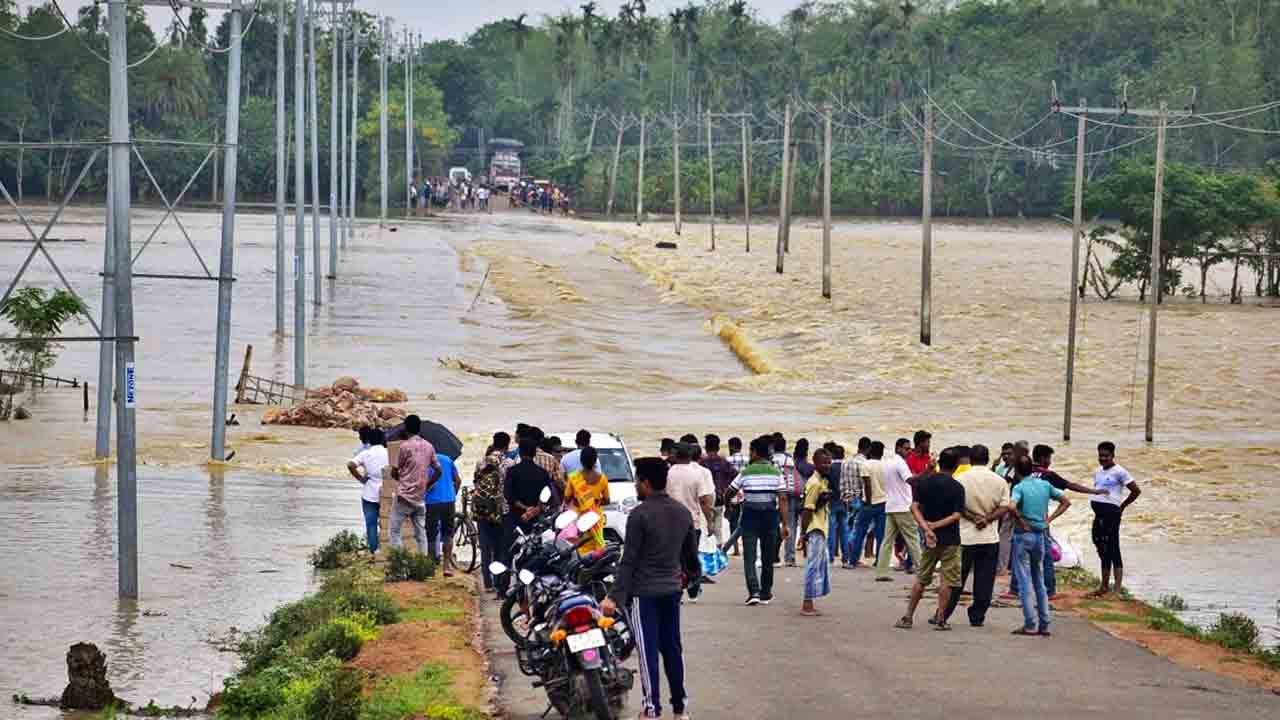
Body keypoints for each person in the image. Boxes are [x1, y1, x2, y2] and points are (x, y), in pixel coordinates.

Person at [601, 458, 699, 720]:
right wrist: (691, 579)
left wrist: (613, 597)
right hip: (671, 590)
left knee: (647, 653)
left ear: (645, 482)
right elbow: (690, 556)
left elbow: (629, 560)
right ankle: (680, 709)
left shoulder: (639, 515)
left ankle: (651, 709)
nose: (634, 485)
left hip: (645, 594)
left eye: (636, 480)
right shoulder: (682, 512)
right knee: (672, 649)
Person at [894, 447, 965, 630]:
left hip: (929, 539)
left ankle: (908, 616)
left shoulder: (924, 483)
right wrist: (937, 526)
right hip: (950, 539)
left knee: (922, 579)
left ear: (939, 462)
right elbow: (957, 515)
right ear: (956, 465)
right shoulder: (957, 487)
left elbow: (914, 507)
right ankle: (941, 618)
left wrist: (927, 527)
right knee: (946, 581)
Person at [941, 444, 1010, 627]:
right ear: (988, 459)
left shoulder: (960, 479)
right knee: (985, 580)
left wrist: (973, 518)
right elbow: (1005, 507)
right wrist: (987, 519)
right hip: (989, 537)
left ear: (970, 459)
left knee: (957, 579)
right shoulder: (999, 480)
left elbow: (956, 507)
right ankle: (977, 616)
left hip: (965, 537)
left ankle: (944, 613)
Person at [1009, 456, 1071, 636]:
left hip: (1023, 536)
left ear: (1017, 471)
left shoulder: (1019, 487)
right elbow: (1066, 501)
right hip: (1041, 535)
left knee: (1023, 581)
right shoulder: (1044, 485)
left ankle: (1030, 624)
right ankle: (1044, 623)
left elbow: (1011, 506)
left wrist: (1021, 520)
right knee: (1039, 580)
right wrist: (1049, 519)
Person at [727, 435, 790, 605]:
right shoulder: (776, 472)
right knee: (768, 556)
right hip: (770, 517)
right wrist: (785, 524)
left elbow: (730, 491)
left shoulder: (746, 472)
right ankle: (766, 592)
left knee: (750, 556)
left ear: (755, 453)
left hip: (750, 517)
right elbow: (783, 499)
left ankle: (753, 591)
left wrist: (728, 505)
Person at [1089, 441, 1142, 597]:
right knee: (1101, 548)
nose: (1103, 458)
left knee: (1113, 548)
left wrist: (1122, 506)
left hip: (1112, 514)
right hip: (1099, 515)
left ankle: (1117, 590)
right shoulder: (1098, 471)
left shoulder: (1120, 472)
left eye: (1106, 456)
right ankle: (1104, 586)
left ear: (1113, 456)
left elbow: (1136, 491)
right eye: (1101, 455)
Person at [500, 435, 551, 593]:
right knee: (538, 552)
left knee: (508, 553)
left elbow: (509, 496)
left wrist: (524, 509)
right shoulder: (543, 473)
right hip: (536, 520)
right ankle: (537, 587)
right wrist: (534, 509)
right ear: (535, 453)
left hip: (515, 518)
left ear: (520, 453)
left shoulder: (512, 472)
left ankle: (503, 589)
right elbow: (547, 497)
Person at [666, 442, 716, 602]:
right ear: (690, 455)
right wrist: (710, 521)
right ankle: (693, 587)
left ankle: (677, 590)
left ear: (676, 455)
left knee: (675, 558)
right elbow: (704, 500)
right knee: (691, 556)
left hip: (671, 522)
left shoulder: (669, 473)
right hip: (691, 522)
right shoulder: (697, 475)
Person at [388, 415, 442, 554]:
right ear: (419, 428)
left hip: (404, 497)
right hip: (420, 498)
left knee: (394, 532)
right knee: (420, 534)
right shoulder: (429, 446)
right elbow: (438, 471)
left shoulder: (404, 446)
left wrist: (402, 481)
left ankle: (401, 566)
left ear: (406, 428)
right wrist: (427, 485)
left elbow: (395, 471)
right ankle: (422, 564)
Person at [875, 438, 923, 581]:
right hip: (902, 506)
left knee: (887, 541)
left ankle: (881, 572)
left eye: (909, 449)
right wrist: (927, 471)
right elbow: (911, 480)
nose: (909, 451)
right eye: (906, 449)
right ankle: (922, 571)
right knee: (913, 539)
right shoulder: (900, 463)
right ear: (898, 448)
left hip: (891, 506)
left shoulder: (888, 462)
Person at [473, 433, 511, 594]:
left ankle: (487, 583)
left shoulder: (481, 461)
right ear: (507, 445)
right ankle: (498, 582)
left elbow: (476, 482)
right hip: (500, 510)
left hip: (482, 510)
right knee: (500, 548)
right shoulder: (509, 463)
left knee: (485, 547)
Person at [799, 449, 834, 616]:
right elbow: (807, 509)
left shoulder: (822, 481)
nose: (827, 465)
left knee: (820, 565)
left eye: (829, 462)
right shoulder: (814, 483)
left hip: (820, 527)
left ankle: (811, 599)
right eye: (824, 462)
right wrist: (803, 533)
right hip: (815, 528)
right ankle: (807, 603)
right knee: (813, 566)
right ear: (815, 463)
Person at [348, 428, 389, 557]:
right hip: (386, 492)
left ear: (369, 440)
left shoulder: (366, 453)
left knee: (371, 524)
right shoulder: (389, 453)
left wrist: (361, 478)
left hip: (369, 492)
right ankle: (387, 548)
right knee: (388, 523)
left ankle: (374, 552)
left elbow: (350, 465)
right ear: (383, 440)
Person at [562, 447, 610, 555]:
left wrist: (580, 501)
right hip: (595, 519)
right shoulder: (602, 479)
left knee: (580, 548)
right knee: (597, 548)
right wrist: (594, 502)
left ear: (581, 460)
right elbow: (607, 500)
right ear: (595, 460)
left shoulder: (574, 477)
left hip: (579, 519)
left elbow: (566, 499)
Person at [850, 440, 887, 568]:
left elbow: (867, 484)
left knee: (860, 532)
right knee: (881, 535)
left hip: (869, 503)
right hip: (883, 503)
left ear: (870, 450)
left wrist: (869, 502)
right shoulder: (885, 466)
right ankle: (880, 561)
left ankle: (853, 560)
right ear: (882, 453)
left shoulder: (866, 465)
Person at [424, 449, 461, 575]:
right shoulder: (447, 459)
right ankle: (446, 566)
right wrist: (452, 495)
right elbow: (458, 481)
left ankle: (430, 566)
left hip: (432, 502)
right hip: (449, 501)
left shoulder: (425, 460)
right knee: (448, 534)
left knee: (431, 534)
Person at [835, 438, 870, 566]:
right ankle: (853, 557)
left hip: (846, 498)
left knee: (847, 527)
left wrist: (843, 496)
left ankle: (848, 556)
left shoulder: (846, 462)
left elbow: (841, 482)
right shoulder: (864, 463)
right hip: (858, 498)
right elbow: (864, 484)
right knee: (857, 529)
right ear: (867, 449)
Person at [701, 433, 737, 547]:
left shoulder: (702, 462)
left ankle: (709, 550)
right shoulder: (723, 461)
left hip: (705, 498)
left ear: (706, 447)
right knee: (718, 525)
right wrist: (725, 486)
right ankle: (718, 547)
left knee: (707, 525)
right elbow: (735, 475)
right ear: (718, 447)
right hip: (720, 497)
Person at [772, 435, 799, 566]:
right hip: (788, 495)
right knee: (790, 525)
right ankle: (790, 557)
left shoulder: (770, 460)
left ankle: (773, 554)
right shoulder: (788, 460)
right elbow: (792, 480)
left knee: (773, 526)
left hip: (773, 495)